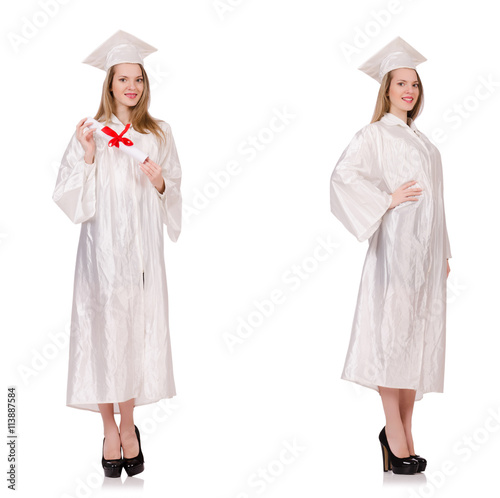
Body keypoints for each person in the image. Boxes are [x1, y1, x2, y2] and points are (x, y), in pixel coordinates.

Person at [52, 30, 182, 478]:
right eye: (123, 79)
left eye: (139, 79)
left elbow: (175, 190)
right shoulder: (91, 132)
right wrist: (88, 157)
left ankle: (130, 425)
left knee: (132, 337)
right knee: (103, 338)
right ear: (109, 84)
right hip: (100, 256)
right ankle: (110, 429)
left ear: (145, 84)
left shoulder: (157, 133)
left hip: (141, 257)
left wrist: (160, 181)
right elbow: (70, 200)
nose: (132, 87)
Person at [329, 37, 451, 475]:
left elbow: (438, 203)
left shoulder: (424, 142)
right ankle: (393, 432)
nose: (409, 91)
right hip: (396, 251)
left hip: (426, 257)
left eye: (414, 84)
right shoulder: (375, 134)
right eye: (401, 83)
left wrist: (445, 252)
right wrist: (385, 198)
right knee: (390, 335)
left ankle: (403, 430)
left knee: (415, 338)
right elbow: (342, 178)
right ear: (386, 89)